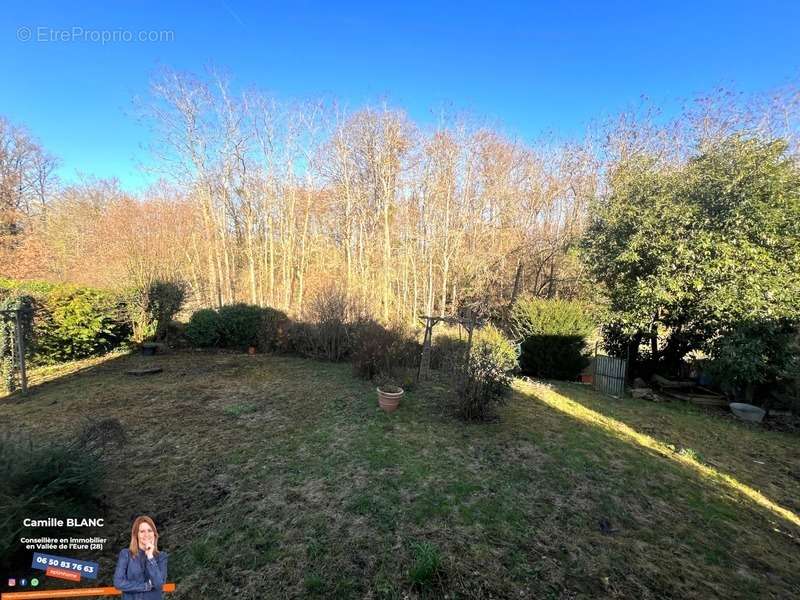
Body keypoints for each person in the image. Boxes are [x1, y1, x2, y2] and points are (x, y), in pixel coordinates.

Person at [113, 516, 168, 599]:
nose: (146, 534)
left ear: (154, 533)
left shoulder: (161, 557)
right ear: (136, 534)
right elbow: (118, 583)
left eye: (149, 530)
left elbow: (159, 584)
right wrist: (146, 586)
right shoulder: (126, 554)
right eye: (142, 531)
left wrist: (150, 557)